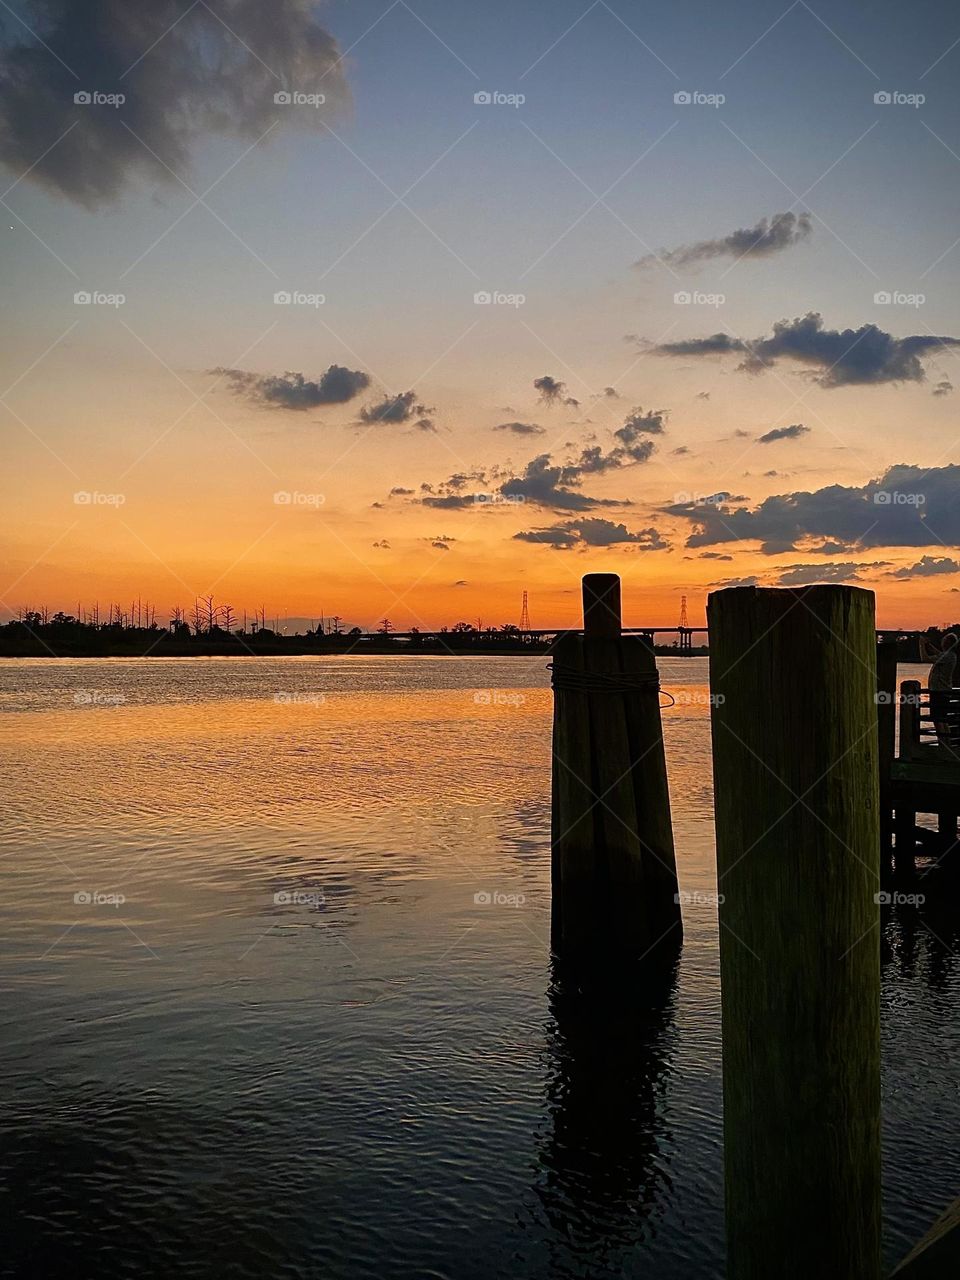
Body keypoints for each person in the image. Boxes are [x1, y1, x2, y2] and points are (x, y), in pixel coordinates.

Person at [920, 632, 958, 747]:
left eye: (944, 640)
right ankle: (947, 744)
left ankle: (943, 745)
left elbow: (924, 658)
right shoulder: (950, 655)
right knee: (943, 718)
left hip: (938, 691)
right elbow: (938, 653)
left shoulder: (947, 656)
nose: (942, 642)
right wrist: (929, 645)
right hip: (943, 690)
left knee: (938, 719)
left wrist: (921, 645)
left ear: (947, 643)